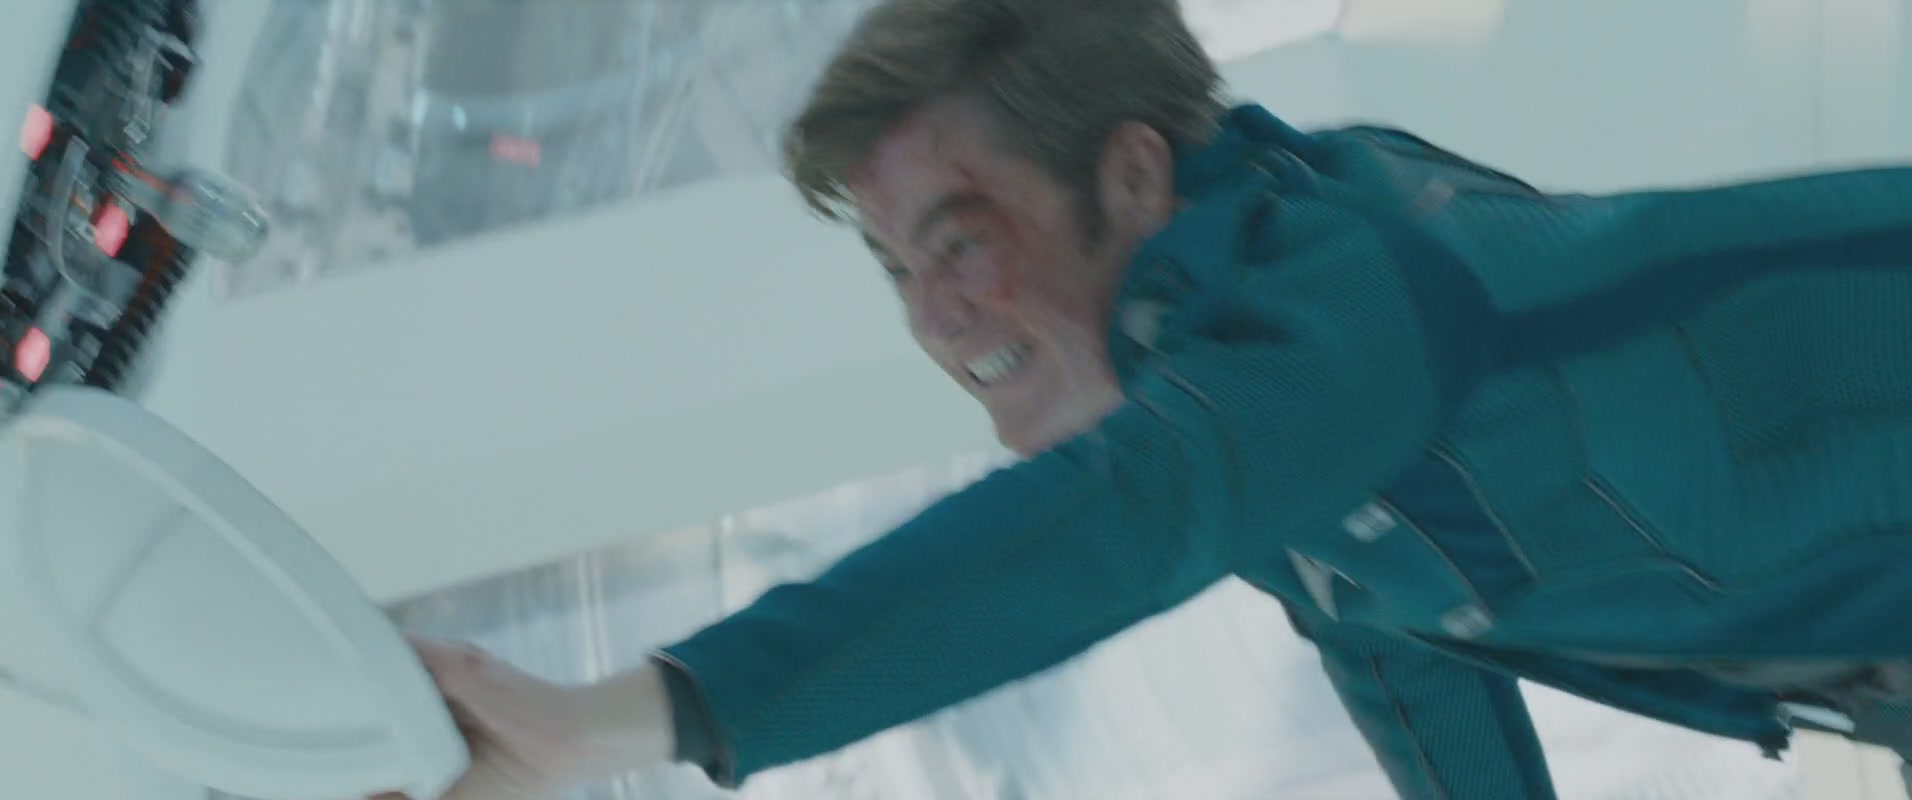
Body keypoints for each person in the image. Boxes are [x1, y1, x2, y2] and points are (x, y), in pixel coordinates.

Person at [370, 0, 1912, 798]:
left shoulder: (1347, 301)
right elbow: (1399, 649)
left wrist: (623, 719)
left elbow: (1102, 531)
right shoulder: (1267, 357)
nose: (933, 317)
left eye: (962, 240)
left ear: (1129, 173)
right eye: (902, 268)